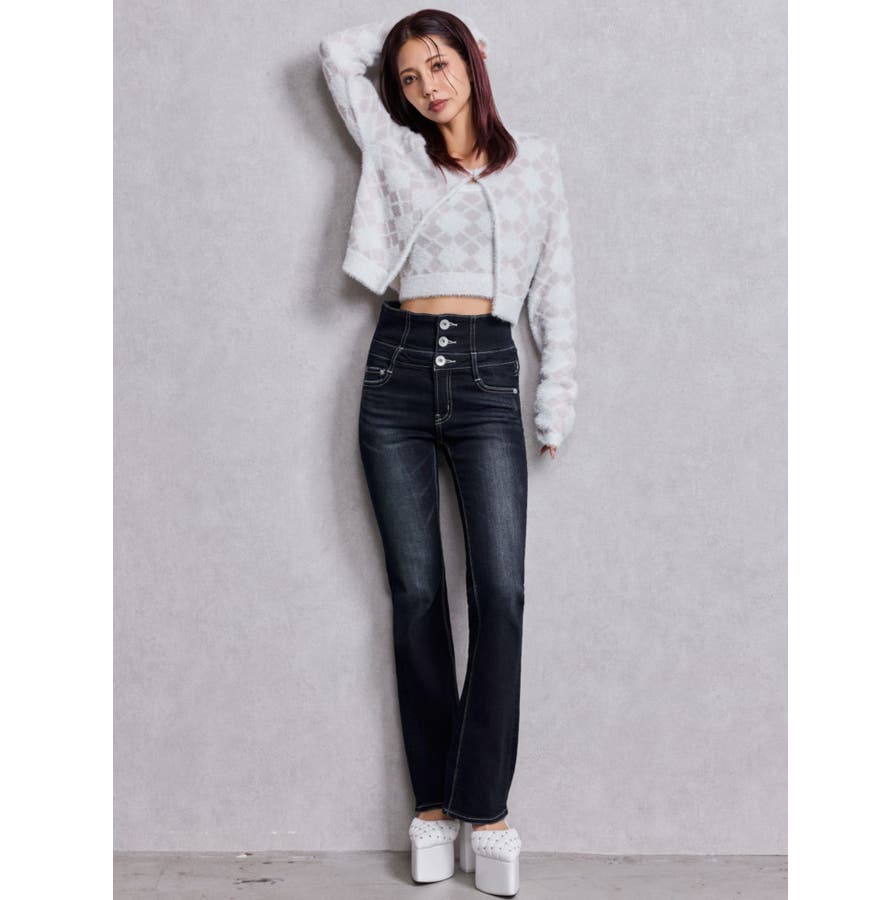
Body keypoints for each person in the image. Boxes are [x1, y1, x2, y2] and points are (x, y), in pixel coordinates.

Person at [319, 9, 578, 896]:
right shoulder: (394, 149)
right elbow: (336, 55)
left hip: (486, 372)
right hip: (394, 371)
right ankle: (432, 807)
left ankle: (487, 810)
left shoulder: (535, 162)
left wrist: (555, 396)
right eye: (411, 76)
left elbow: (556, 287)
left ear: (472, 61)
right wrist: (405, 42)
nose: (429, 86)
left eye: (442, 64)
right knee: (417, 594)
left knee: (499, 591)